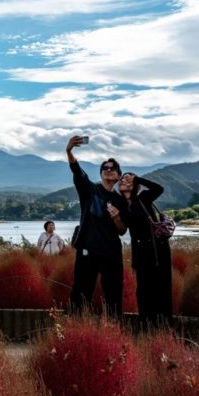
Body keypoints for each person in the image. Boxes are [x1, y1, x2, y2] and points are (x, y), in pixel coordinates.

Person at [66, 136, 128, 317]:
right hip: (87, 251)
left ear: (118, 176)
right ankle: (74, 330)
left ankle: (113, 332)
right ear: (101, 174)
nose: (108, 170)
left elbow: (122, 230)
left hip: (111, 253)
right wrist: (69, 151)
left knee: (113, 296)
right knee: (80, 294)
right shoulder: (89, 190)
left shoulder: (120, 201)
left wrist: (116, 218)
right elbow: (77, 171)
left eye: (112, 168)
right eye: (105, 168)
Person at [118, 173, 172, 327]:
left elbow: (159, 188)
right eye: (122, 178)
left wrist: (138, 179)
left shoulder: (143, 198)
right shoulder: (121, 204)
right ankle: (146, 328)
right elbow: (126, 232)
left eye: (128, 178)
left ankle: (164, 328)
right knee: (143, 292)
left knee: (161, 290)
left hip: (158, 251)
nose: (124, 180)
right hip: (140, 254)